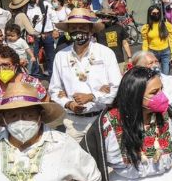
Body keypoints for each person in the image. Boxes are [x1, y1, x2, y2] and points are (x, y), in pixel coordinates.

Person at [49, 8, 121, 142]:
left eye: (82, 27)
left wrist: (92, 96)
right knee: (75, 160)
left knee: (104, 159)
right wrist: (69, 103)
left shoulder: (105, 53)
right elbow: (54, 89)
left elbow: (117, 87)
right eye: (74, 28)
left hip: (101, 119)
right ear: (69, 32)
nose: (78, 31)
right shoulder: (61, 56)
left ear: (91, 30)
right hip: (73, 123)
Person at [0, 45, 48, 139]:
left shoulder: (31, 82)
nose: (1, 69)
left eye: (6, 65)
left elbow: (45, 103)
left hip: (29, 135)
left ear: (15, 65)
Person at [23, 0, 56, 79]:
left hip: (48, 34)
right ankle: (36, 77)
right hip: (34, 36)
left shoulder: (45, 4)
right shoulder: (25, 8)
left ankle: (52, 75)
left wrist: (55, 29)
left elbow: (53, 17)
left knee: (50, 56)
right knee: (33, 56)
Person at [141, 4, 172, 75]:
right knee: (156, 75)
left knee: (165, 75)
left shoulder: (167, 25)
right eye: (154, 13)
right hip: (152, 53)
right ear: (150, 14)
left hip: (165, 53)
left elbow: (171, 40)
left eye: (158, 13)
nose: (156, 15)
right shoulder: (146, 28)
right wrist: (145, 55)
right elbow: (145, 42)